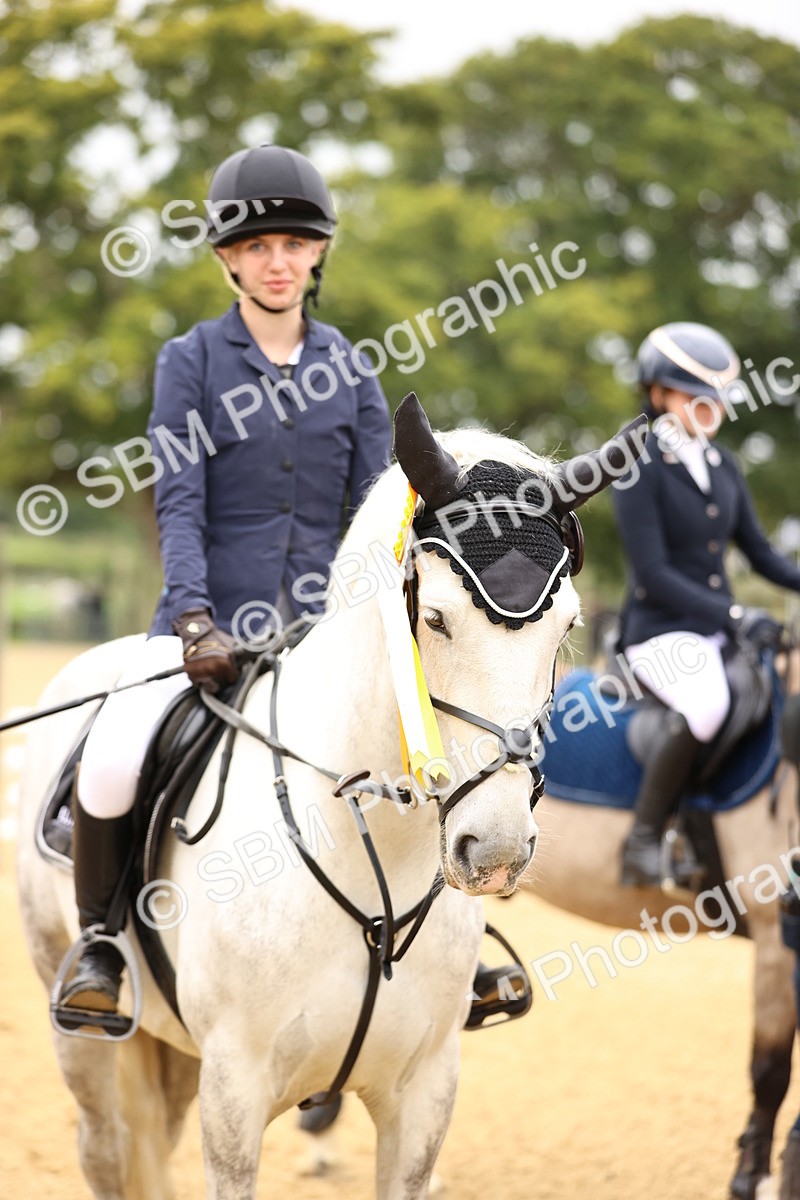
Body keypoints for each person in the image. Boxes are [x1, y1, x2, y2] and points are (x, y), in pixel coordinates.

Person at [61, 144, 393, 1013]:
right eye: (256, 247)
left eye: (293, 244)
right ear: (226, 260)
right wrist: (196, 620)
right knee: (114, 749)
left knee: (420, 750)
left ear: (318, 253)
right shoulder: (191, 362)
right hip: (208, 623)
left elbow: (377, 514)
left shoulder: (353, 371)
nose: (276, 261)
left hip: (329, 630)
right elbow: (178, 500)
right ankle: (100, 944)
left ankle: (447, 947)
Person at [613, 321, 800, 887]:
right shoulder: (636, 458)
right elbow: (653, 573)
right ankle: (642, 842)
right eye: (695, 394)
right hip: (659, 631)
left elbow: (762, 555)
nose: (710, 405)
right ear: (658, 393)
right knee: (707, 706)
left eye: (715, 395)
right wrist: (739, 615)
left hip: (717, 630)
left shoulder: (722, 466)